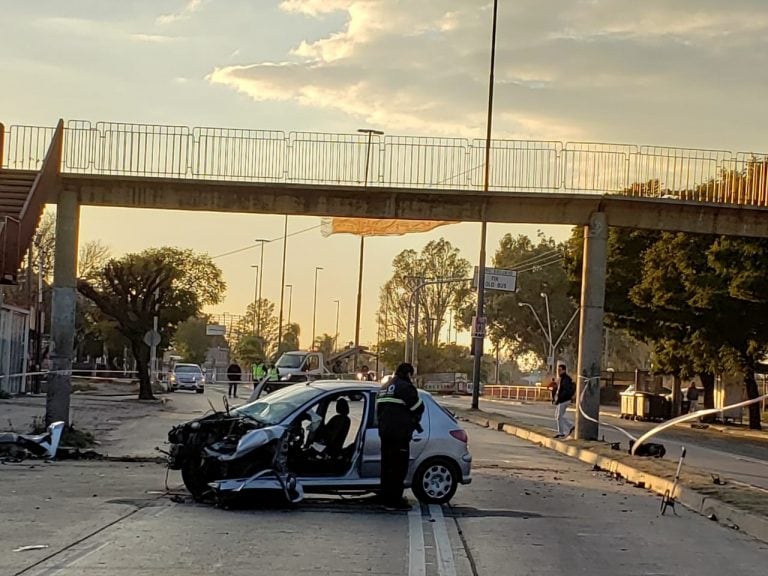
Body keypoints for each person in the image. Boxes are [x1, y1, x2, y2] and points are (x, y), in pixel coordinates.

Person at [376, 362, 424, 510]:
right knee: (398, 468)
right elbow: (418, 407)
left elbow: (378, 411)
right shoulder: (405, 387)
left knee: (386, 466)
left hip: (385, 433)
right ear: (408, 374)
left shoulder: (384, 387)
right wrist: (413, 421)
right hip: (399, 435)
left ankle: (385, 498)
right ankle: (394, 501)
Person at [553, 363, 575, 439]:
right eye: (558, 370)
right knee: (557, 416)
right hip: (562, 400)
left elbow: (566, 390)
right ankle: (564, 430)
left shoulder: (566, 379)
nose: (558, 371)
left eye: (560, 370)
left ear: (564, 370)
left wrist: (560, 398)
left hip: (564, 400)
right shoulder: (562, 378)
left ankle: (566, 429)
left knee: (559, 416)